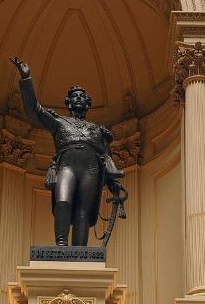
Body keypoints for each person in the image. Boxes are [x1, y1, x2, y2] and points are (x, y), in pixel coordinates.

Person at [10, 57, 123, 246]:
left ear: (87, 103)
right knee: (63, 202)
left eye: (82, 96)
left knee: (83, 210)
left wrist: (113, 182)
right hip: (67, 165)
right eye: (74, 96)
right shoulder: (59, 122)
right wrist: (26, 79)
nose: (78, 98)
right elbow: (34, 111)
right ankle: (61, 245)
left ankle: (80, 250)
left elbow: (106, 157)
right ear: (68, 102)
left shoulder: (97, 129)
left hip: (91, 168)